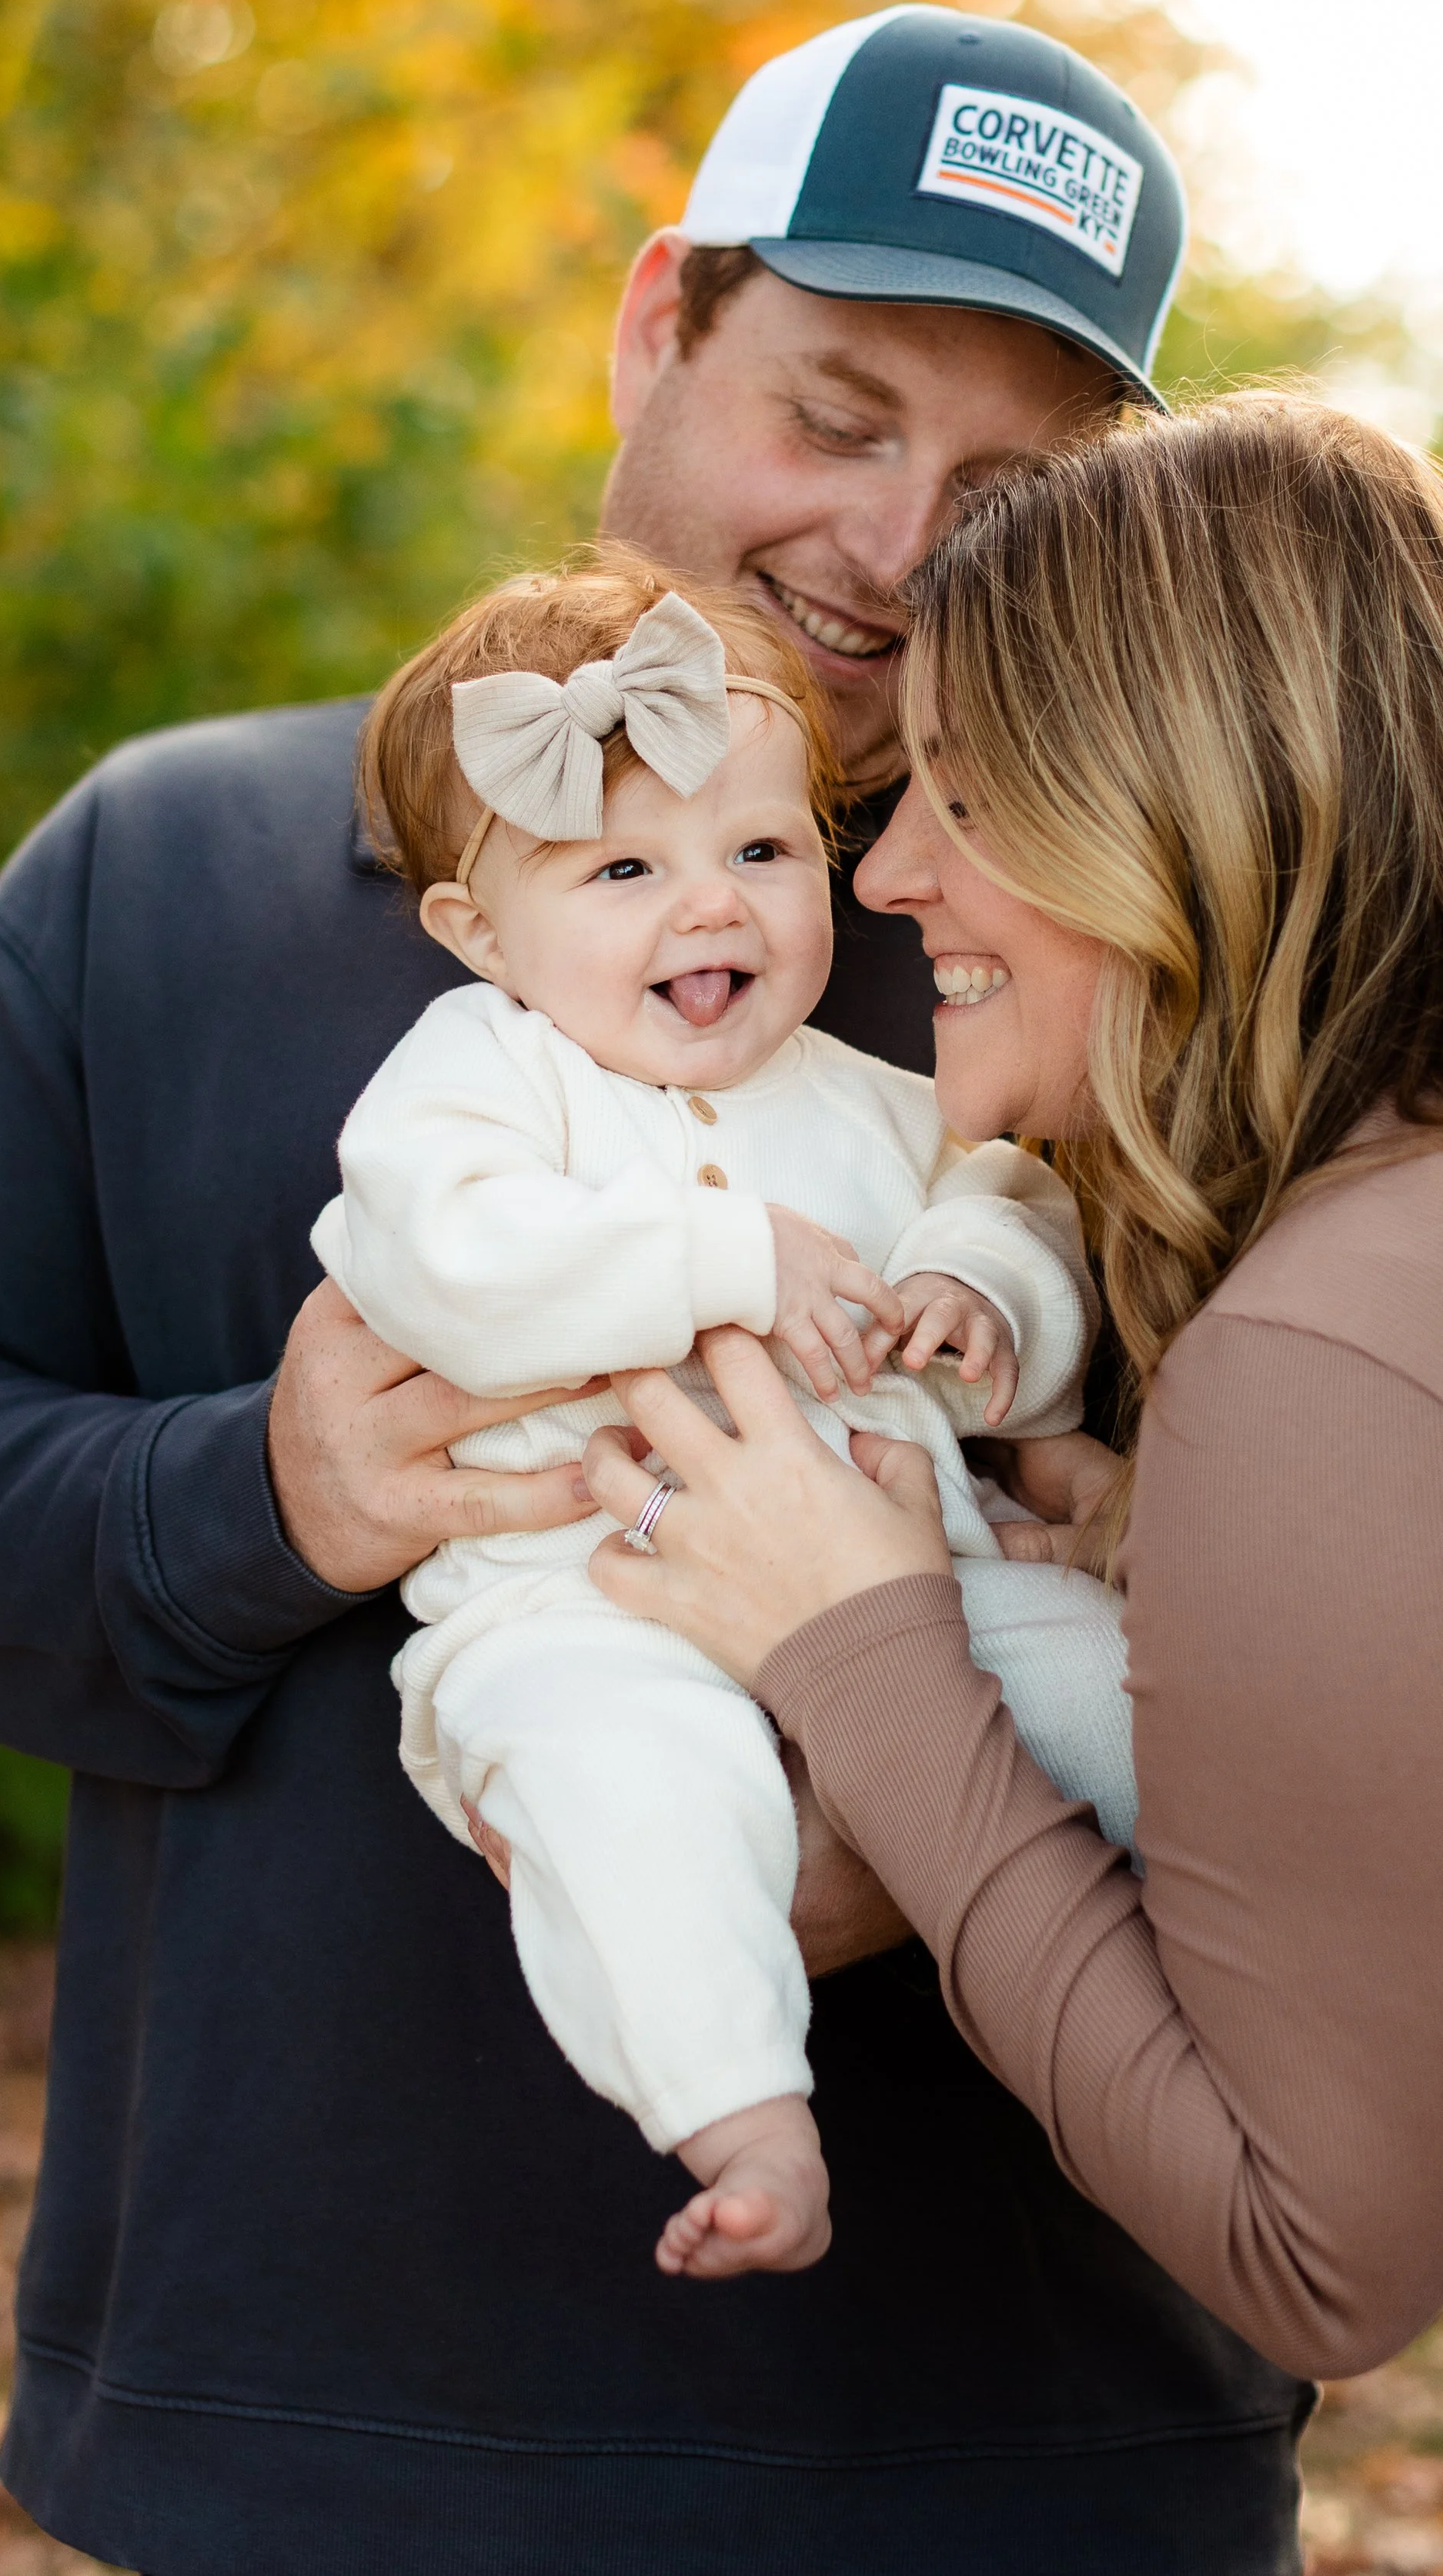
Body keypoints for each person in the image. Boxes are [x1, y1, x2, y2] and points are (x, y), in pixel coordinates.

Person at [0, 11, 1312, 2573]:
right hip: (312, 2450)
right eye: (834, 408)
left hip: (1038, 2461)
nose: (907, 548)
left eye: (1013, 486)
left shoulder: (1178, 955)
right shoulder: (177, 873)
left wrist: (941, 1781)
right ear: (652, 325)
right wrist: (264, 1486)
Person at [581, 389, 1443, 2389]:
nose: (886, 878)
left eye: (965, 795)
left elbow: (1317, 2260)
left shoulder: (1311, 1348)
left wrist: (862, 1650)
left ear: (1186, 812)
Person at [314, 551, 1127, 2283]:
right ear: (478, 932)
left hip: (919, 1590)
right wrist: (720, 1256)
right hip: (587, 1603)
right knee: (629, 1792)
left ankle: (1303, 1973)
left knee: (1140, 1683)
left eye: (757, 852)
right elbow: (442, 1261)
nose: (710, 910)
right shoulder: (481, 1081)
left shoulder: (873, 1102)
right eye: (620, 869)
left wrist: (982, 1303)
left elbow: (1009, 1206)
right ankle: (738, 2108)